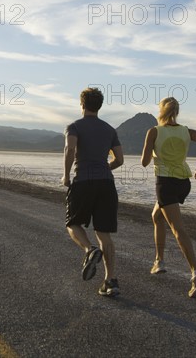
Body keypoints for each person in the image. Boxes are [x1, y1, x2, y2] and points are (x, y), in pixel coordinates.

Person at [141, 97, 196, 298]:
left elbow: (144, 162)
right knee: (157, 217)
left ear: (161, 111)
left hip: (166, 184)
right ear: (176, 111)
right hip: (184, 183)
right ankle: (159, 261)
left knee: (177, 228)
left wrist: (152, 151)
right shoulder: (186, 131)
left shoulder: (154, 131)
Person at [63, 87, 124, 297]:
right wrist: (104, 168)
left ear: (82, 105)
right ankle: (110, 281)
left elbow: (70, 149)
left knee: (72, 223)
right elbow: (120, 160)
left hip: (84, 181)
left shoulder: (74, 127)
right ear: (99, 106)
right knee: (104, 233)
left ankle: (89, 250)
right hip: (106, 184)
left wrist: (66, 175)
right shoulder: (109, 129)